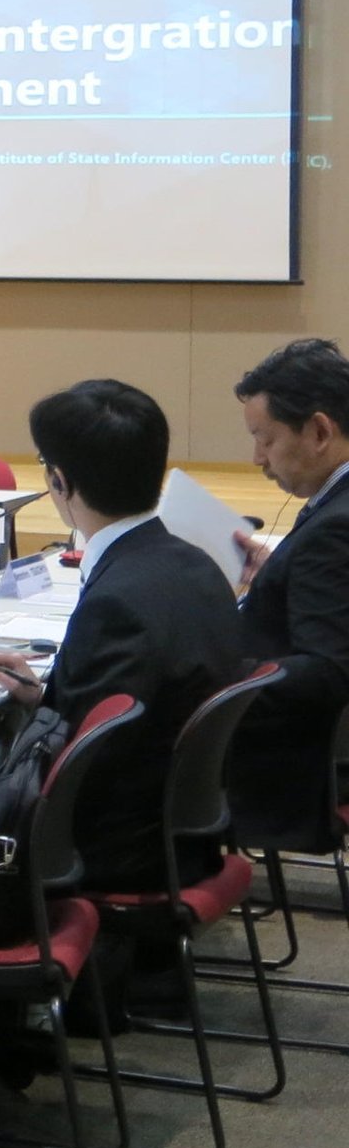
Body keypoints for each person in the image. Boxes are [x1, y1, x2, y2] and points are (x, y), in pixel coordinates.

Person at [0, 380, 240, 892]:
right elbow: (115, 711)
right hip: (182, 835)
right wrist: (43, 695)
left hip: (113, 849)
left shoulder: (117, 601)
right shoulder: (197, 565)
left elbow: (81, 761)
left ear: (59, 480)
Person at [224, 338, 349, 853]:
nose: (258, 458)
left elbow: (328, 669)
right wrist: (281, 575)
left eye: (266, 439)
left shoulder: (335, 528)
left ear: (319, 431)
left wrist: (220, 677)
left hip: (289, 759)